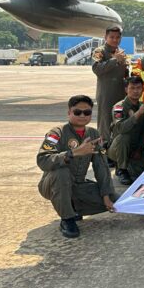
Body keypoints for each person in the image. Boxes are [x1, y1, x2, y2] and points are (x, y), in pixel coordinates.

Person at [37, 95, 116, 239]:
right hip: (53, 183)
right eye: (77, 112)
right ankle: (67, 219)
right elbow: (42, 160)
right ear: (69, 113)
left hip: (78, 184)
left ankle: (74, 207)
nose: (82, 116)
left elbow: (102, 166)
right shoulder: (56, 133)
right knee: (62, 172)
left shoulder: (93, 134)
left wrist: (106, 195)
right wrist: (73, 153)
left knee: (115, 199)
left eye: (87, 112)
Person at [107, 76, 144, 185]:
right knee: (124, 137)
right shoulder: (119, 107)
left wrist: (139, 149)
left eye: (138, 88)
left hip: (135, 148)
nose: (136, 91)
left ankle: (128, 164)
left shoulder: (143, 107)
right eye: (132, 88)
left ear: (143, 89)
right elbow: (121, 129)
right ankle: (122, 169)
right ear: (126, 89)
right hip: (118, 148)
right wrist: (137, 114)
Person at [91, 25, 128, 145]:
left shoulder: (121, 52)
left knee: (119, 120)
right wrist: (114, 60)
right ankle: (103, 148)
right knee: (105, 122)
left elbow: (125, 72)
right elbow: (97, 69)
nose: (115, 40)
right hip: (106, 93)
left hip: (121, 92)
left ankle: (116, 148)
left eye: (117, 37)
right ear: (105, 37)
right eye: (112, 37)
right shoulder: (99, 51)